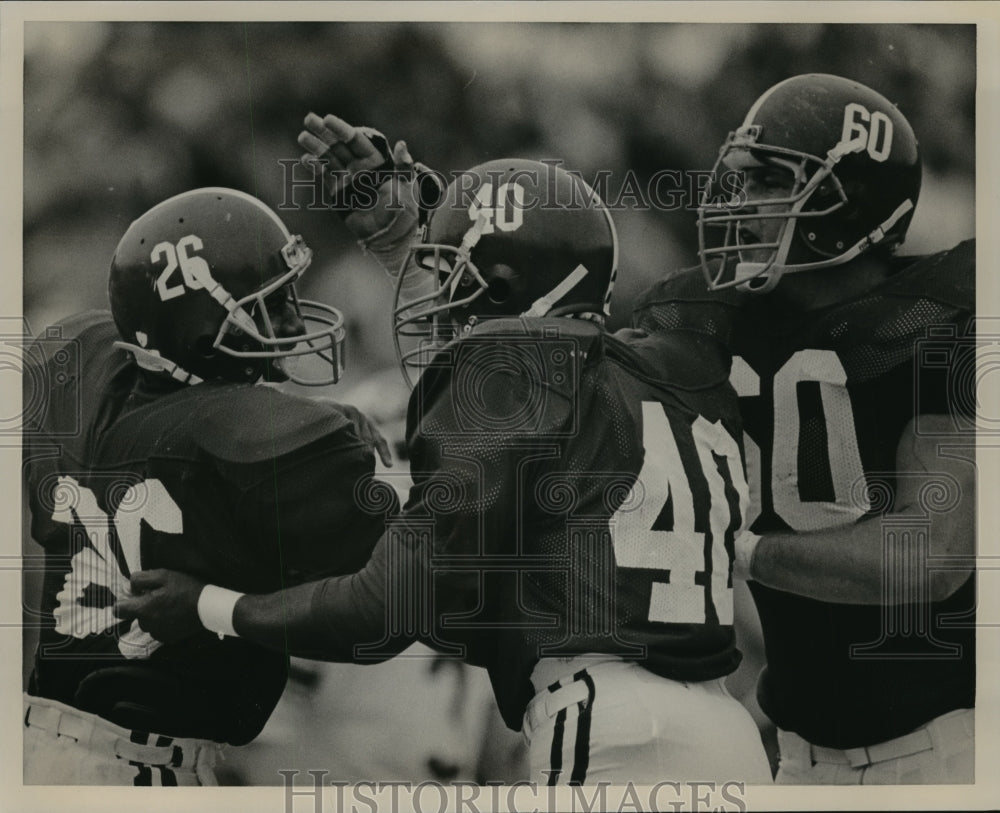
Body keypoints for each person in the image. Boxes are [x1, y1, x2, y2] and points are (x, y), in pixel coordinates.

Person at [117, 142, 773, 785]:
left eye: (457, 281)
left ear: (505, 285)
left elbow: (381, 606)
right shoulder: (660, 368)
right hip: (724, 731)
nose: (441, 307)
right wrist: (421, 232)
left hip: (610, 727)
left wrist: (208, 604)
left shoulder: (509, 382)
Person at [633, 73, 975, 784]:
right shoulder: (713, 321)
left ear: (842, 203)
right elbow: (547, 368)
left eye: (767, 181)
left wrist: (745, 552)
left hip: (949, 751)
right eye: (738, 179)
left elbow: (932, 556)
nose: (736, 203)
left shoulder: (931, 320)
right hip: (795, 759)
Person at [22, 187, 394, 785]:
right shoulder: (270, 440)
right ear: (200, 332)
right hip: (143, 769)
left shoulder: (75, 364)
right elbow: (384, 618)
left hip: (38, 744)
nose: (294, 322)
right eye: (271, 305)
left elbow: (182, 413)